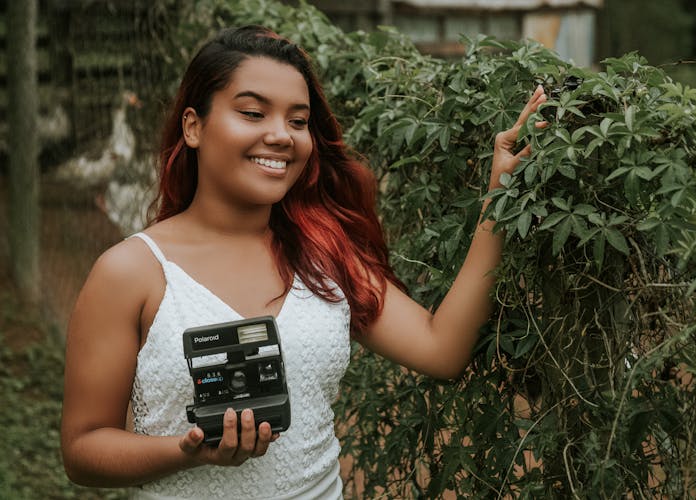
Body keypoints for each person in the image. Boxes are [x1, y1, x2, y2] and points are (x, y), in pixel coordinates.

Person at [60, 25, 547, 499]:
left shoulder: (323, 258)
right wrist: (190, 451)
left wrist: (499, 200)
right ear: (194, 126)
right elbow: (83, 450)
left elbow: (441, 349)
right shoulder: (132, 271)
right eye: (252, 113)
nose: (282, 136)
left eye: (297, 121)